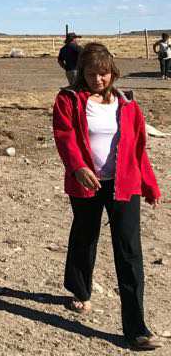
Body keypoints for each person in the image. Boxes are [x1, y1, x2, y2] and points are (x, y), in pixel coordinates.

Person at [52, 42, 161, 351]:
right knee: (85, 235)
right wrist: (77, 167)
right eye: (90, 73)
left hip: (124, 184)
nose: (97, 80)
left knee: (129, 250)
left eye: (103, 74)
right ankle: (80, 290)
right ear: (81, 74)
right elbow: (64, 136)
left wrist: (149, 185)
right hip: (87, 183)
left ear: (113, 73)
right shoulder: (69, 99)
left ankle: (136, 327)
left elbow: (139, 148)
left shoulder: (127, 104)